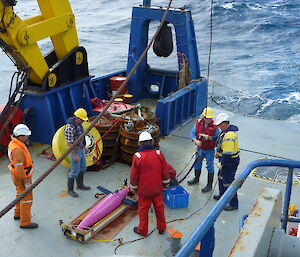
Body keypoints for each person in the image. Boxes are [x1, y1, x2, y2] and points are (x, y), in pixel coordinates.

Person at [130, 131, 170, 236]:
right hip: (157, 189)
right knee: (159, 209)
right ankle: (161, 228)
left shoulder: (137, 156)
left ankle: (143, 230)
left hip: (144, 191)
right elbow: (165, 171)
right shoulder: (158, 154)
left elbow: (134, 175)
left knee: (143, 211)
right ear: (152, 142)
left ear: (139, 143)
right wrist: (166, 184)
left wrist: (133, 188)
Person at [8, 124, 38, 229]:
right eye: (25, 136)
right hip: (22, 177)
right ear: (20, 136)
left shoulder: (14, 143)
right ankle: (25, 222)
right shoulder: (18, 150)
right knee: (26, 199)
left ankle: (17, 214)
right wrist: (27, 183)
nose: (27, 137)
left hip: (16, 176)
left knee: (19, 195)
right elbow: (20, 170)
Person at [188, 107, 220, 193]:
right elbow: (192, 134)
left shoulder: (215, 128)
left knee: (210, 166)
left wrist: (209, 138)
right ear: (204, 117)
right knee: (197, 163)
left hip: (209, 150)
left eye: (210, 118)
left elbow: (218, 138)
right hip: (200, 149)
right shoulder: (198, 124)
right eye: (207, 118)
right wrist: (196, 141)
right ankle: (196, 178)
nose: (209, 119)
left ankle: (209, 185)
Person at [213, 113, 240, 211]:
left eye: (220, 125)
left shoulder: (230, 135)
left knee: (228, 182)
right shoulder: (225, 132)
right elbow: (220, 141)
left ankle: (233, 204)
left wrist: (222, 163)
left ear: (225, 123)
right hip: (224, 160)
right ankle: (222, 196)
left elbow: (227, 153)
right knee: (221, 178)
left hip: (230, 162)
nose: (219, 127)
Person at [64, 108, 90, 198]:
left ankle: (80, 185)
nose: (83, 121)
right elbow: (70, 143)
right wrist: (74, 155)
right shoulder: (70, 128)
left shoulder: (79, 125)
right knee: (74, 171)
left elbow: (81, 137)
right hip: (74, 150)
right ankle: (70, 190)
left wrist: (84, 147)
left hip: (81, 149)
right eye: (82, 120)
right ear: (77, 118)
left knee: (82, 167)